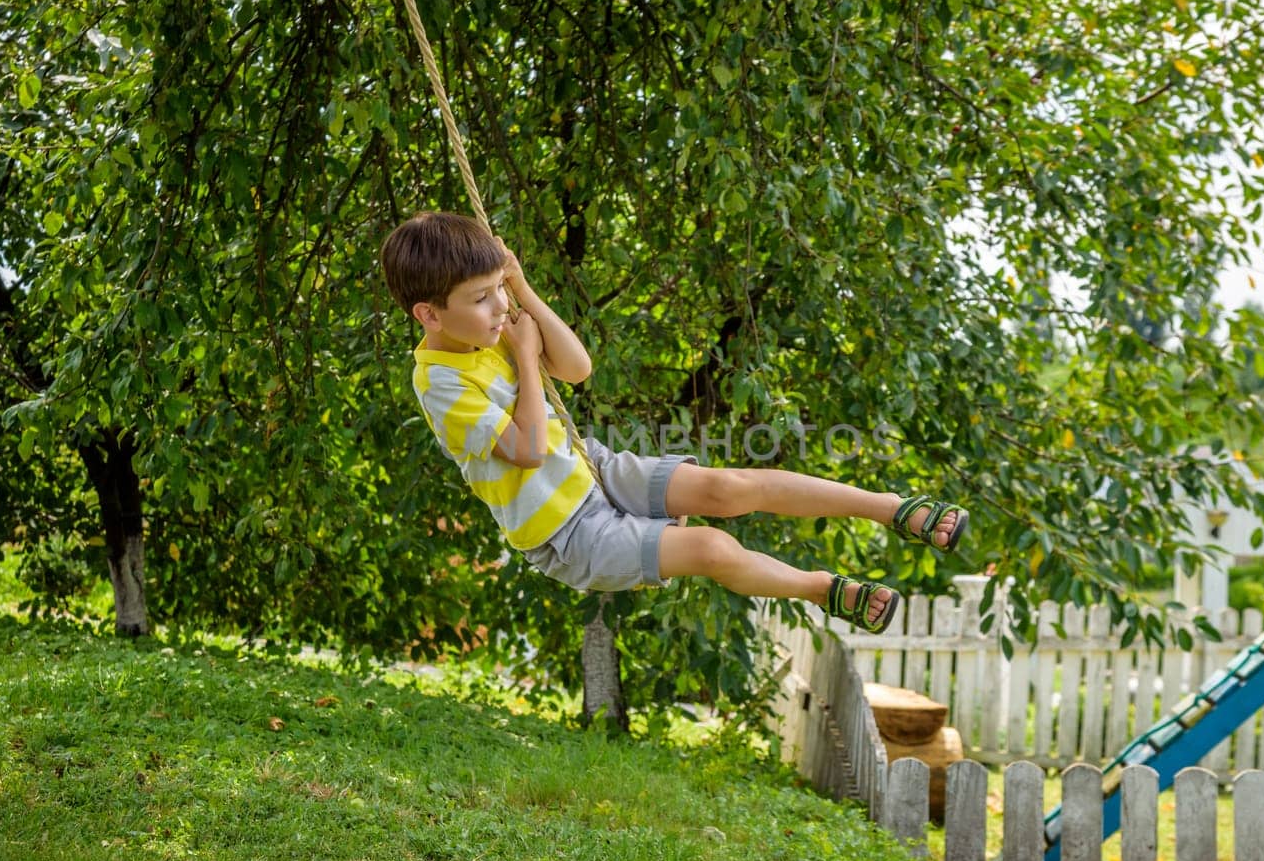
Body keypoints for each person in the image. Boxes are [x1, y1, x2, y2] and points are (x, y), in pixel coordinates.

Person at [381, 211, 968, 634]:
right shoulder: (440, 381)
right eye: (483, 298)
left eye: (498, 291)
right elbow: (529, 449)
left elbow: (578, 368)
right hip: (566, 534)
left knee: (728, 487)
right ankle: (822, 589)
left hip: (591, 469)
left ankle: (890, 506)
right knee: (711, 547)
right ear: (430, 314)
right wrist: (527, 360)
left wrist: (525, 291)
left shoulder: (488, 324)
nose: (500, 309)